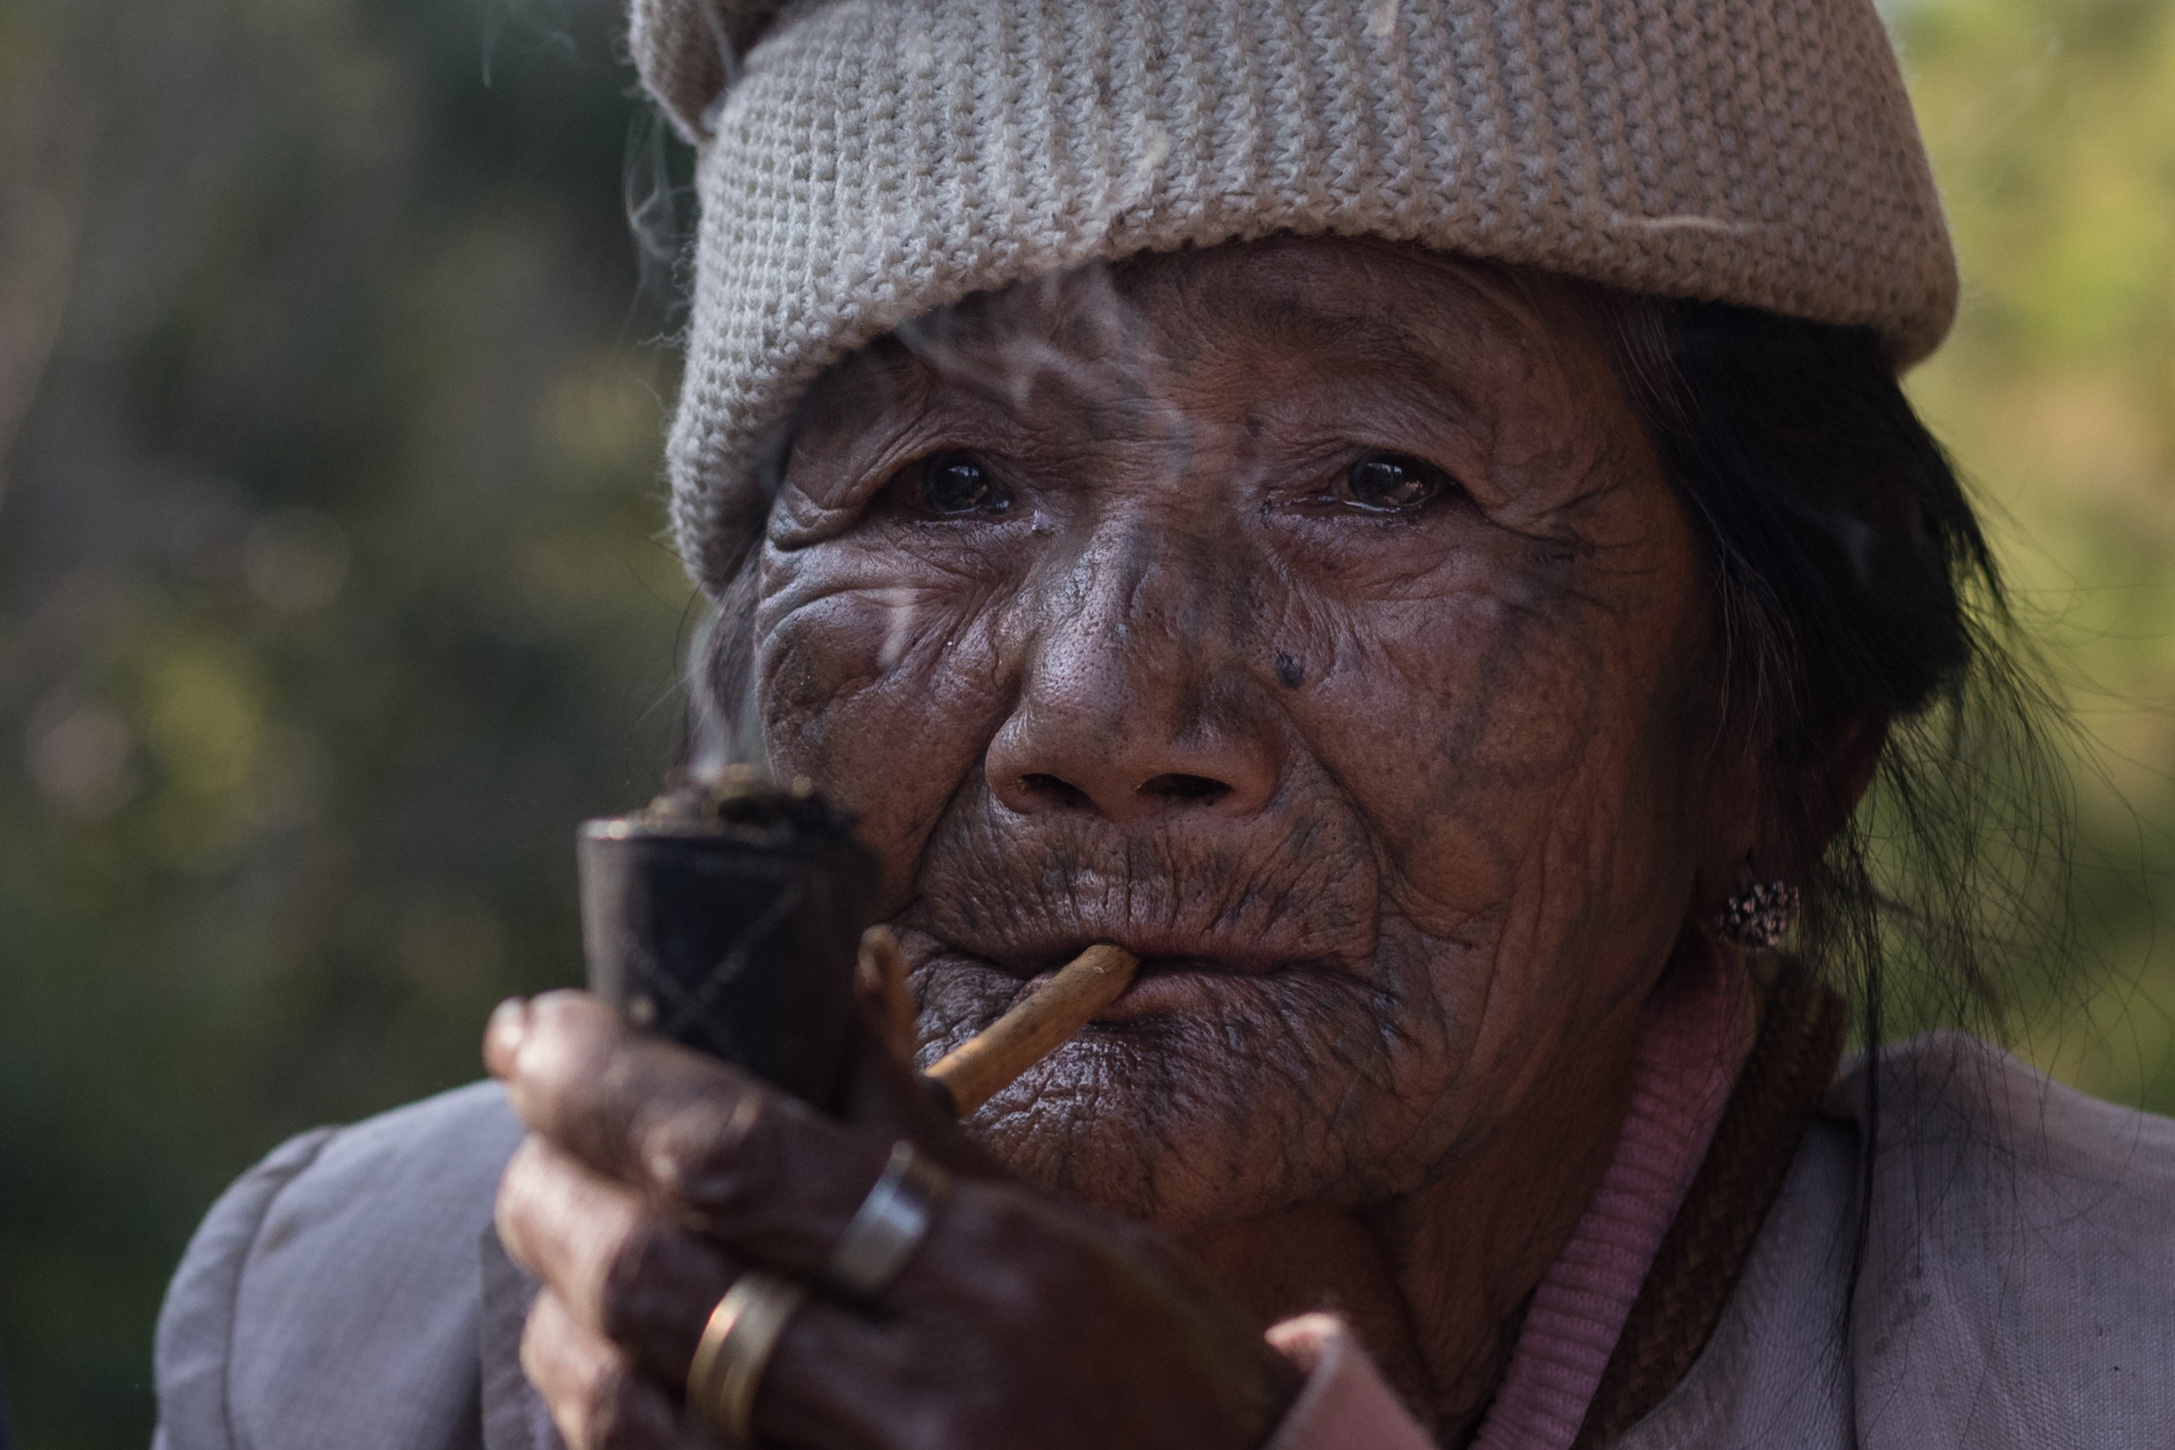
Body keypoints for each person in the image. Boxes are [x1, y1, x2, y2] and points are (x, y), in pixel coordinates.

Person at [153, 1, 2175, 1447]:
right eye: (943, 485)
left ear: (1773, 743)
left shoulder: (2112, 1350)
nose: (1104, 712)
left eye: (1376, 481)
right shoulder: (362, 1335)